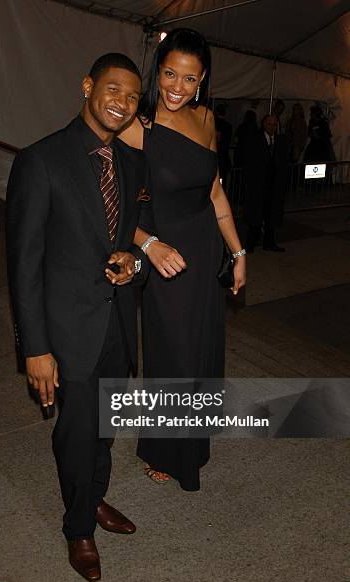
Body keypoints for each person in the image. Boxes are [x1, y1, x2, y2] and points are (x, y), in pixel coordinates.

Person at [6, 54, 151, 582]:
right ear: (88, 86)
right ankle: (77, 529)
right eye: (114, 90)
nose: (122, 103)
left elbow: (132, 236)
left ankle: (93, 499)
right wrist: (34, 348)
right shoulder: (40, 160)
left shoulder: (131, 163)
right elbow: (23, 265)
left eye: (133, 97)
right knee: (77, 430)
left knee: (106, 426)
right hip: (65, 330)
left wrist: (132, 263)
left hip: (116, 323)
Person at [119, 29, 246, 491]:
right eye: (170, 73)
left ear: (203, 79)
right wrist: (149, 244)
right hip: (166, 257)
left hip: (204, 250)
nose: (177, 87)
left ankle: (193, 439)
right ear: (159, 70)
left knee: (201, 353)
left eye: (189, 79)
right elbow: (107, 204)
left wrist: (238, 252)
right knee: (171, 357)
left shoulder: (208, 119)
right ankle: (164, 447)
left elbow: (215, 193)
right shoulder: (139, 124)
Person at [244, 114, 289, 252]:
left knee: (271, 217)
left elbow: (283, 162)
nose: (272, 127)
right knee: (256, 218)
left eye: (275, 124)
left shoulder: (280, 141)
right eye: (270, 124)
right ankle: (250, 245)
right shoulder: (255, 140)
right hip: (258, 186)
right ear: (264, 124)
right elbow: (250, 162)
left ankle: (269, 243)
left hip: (274, 187)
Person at [214, 103, 233, 190]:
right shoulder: (228, 126)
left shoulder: (213, 123)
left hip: (215, 157)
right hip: (223, 158)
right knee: (221, 181)